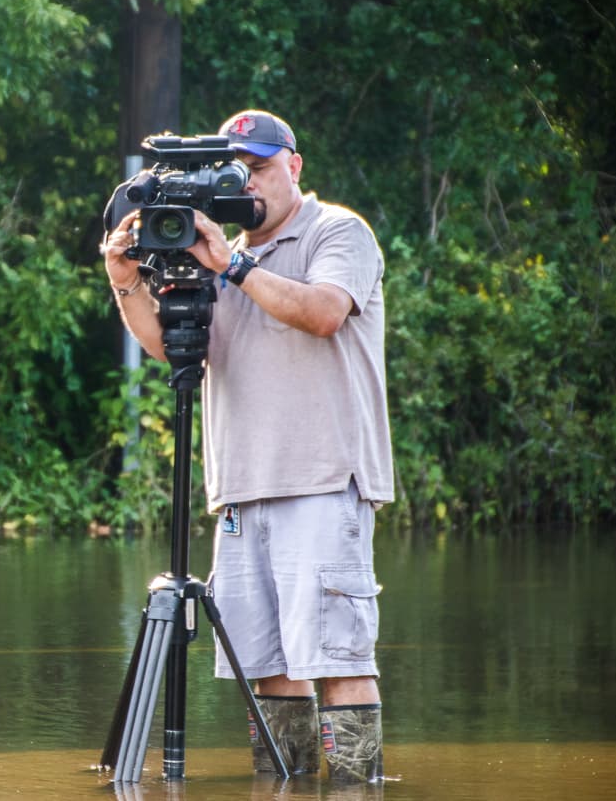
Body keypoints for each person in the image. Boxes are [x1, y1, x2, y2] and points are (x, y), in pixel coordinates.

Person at [102, 110, 393, 783]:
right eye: (236, 170)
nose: (248, 184)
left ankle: (355, 793)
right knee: (268, 666)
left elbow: (322, 312)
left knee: (337, 659)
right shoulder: (219, 251)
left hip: (322, 480)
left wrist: (231, 264)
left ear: (294, 166)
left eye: (259, 168)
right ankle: (283, 788)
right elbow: (178, 348)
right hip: (240, 491)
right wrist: (124, 277)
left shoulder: (336, 231)